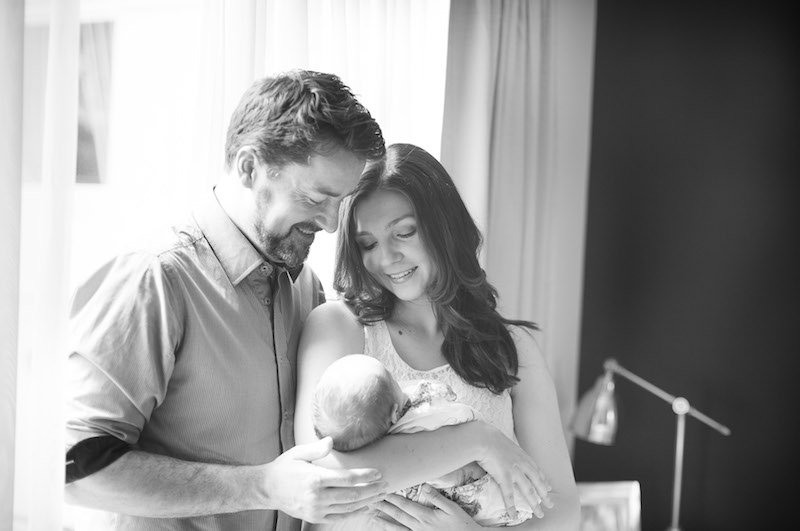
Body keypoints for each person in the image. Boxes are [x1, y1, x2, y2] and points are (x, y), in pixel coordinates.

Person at [63, 70, 389, 531]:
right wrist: (262, 486)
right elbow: (73, 468)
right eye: (317, 197)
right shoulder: (154, 279)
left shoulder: (307, 289)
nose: (333, 224)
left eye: (341, 201)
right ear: (249, 167)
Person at [294, 143, 581, 530]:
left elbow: (564, 511)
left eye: (404, 233)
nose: (386, 258)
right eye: (368, 244)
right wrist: (477, 440)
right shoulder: (340, 328)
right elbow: (320, 478)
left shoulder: (512, 348)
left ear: (444, 228)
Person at [312, 354, 534, 527]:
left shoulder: (372, 459)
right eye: (393, 379)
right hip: (488, 499)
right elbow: (459, 413)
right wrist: (481, 438)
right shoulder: (421, 413)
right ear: (395, 412)